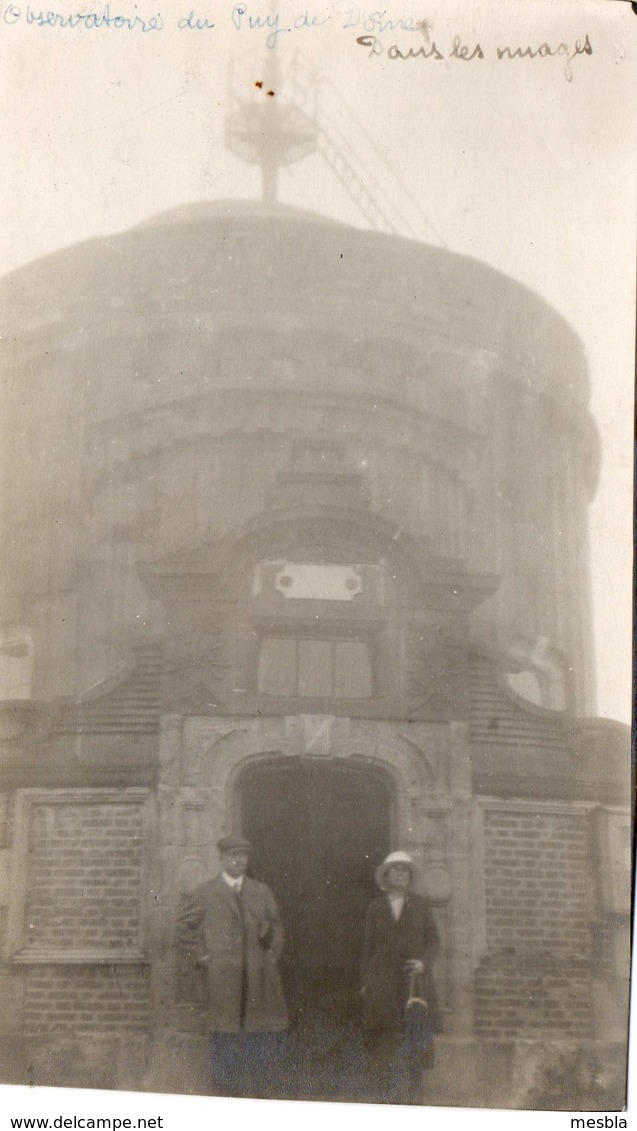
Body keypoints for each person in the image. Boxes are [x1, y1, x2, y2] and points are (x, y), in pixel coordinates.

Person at [176, 834, 288, 1097]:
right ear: (222, 859)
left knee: (257, 1035)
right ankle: (226, 1094)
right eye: (232, 856)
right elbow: (183, 929)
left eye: (243, 856)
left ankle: (253, 1093)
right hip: (223, 978)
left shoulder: (261, 891)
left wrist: (272, 954)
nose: (238, 861)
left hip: (256, 976)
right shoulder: (205, 892)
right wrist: (202, 956)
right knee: (224, 1037)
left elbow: (277, 925)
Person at [360, 849, 441, 1104]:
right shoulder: (375, 907)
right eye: (395, 870)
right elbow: (368, 947)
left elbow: (434, 940)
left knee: (414, 1039)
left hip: (412, 981)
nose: (400, 875)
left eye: (405, 871)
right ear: (385, 876)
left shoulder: (420, 905)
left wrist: (423, 963)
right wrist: (365, 982)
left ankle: (415, 1099)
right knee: (386, 1041)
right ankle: (387, 1099)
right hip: (383, 983)